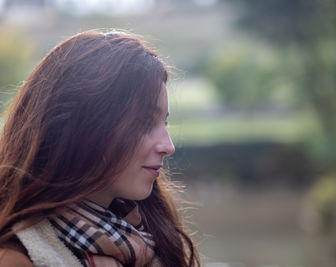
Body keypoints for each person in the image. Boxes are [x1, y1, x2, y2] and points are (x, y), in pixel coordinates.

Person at [0, 30, 200, 267]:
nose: (169, 146)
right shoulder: (15, 258)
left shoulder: (147, 235)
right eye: (145, 122)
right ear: (81, 126)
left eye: (163, 123)